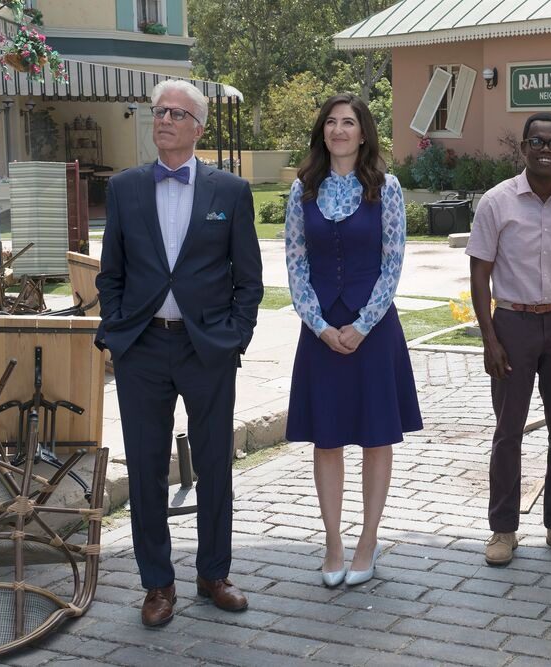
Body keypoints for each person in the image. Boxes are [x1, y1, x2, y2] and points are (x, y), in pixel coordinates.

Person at [95, 79, 263, 626]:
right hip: (142, 347)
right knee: (146, 468)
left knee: (214, 463)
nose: (164, 119)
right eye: (159, 111)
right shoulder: (125, 188)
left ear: (199, 127)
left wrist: (234, 336)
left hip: (206, 348)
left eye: (176, 113)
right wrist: (118, 330)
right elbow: (111, 273)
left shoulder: (230, 192)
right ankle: (157, 584)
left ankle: (214, 574)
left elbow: (249, 278)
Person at [284, 93, 422, 588]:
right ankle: (333, 542)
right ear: (321, 131)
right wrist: (319, 325)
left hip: (374, 329)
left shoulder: (386, 187)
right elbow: (295, 263)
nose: (339, 130)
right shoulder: (302, 190)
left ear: (364, 134)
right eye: (331, 122)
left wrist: (363, 324)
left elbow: (393, 260)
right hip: (320, 329)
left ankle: (367, 539)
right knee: (327, 438)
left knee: (375, 435)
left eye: (349, 122)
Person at [466, 112, 551, 567]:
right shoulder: (496, 202)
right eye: (537, 141)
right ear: (523, 147)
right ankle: (503, 529)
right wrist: (489, 339)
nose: (546, 149)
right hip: (513, 325)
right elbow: (479, 274)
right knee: (508, 431)